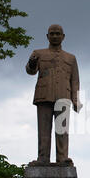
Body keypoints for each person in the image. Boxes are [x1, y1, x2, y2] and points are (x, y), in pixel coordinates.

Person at [26, 24, 82, 166]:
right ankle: (43, 158)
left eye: (58, 34)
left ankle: (62, 158)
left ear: (63, 37)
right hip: (43, 95)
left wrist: (75, 99)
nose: (55, 36)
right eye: (52, 33)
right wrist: (32, 63)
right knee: (44, 130)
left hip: (64, 96)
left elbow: (75, 80)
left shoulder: (71, 58)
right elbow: (30, 71)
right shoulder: (38, 53)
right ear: (47, 36)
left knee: (62, 130)